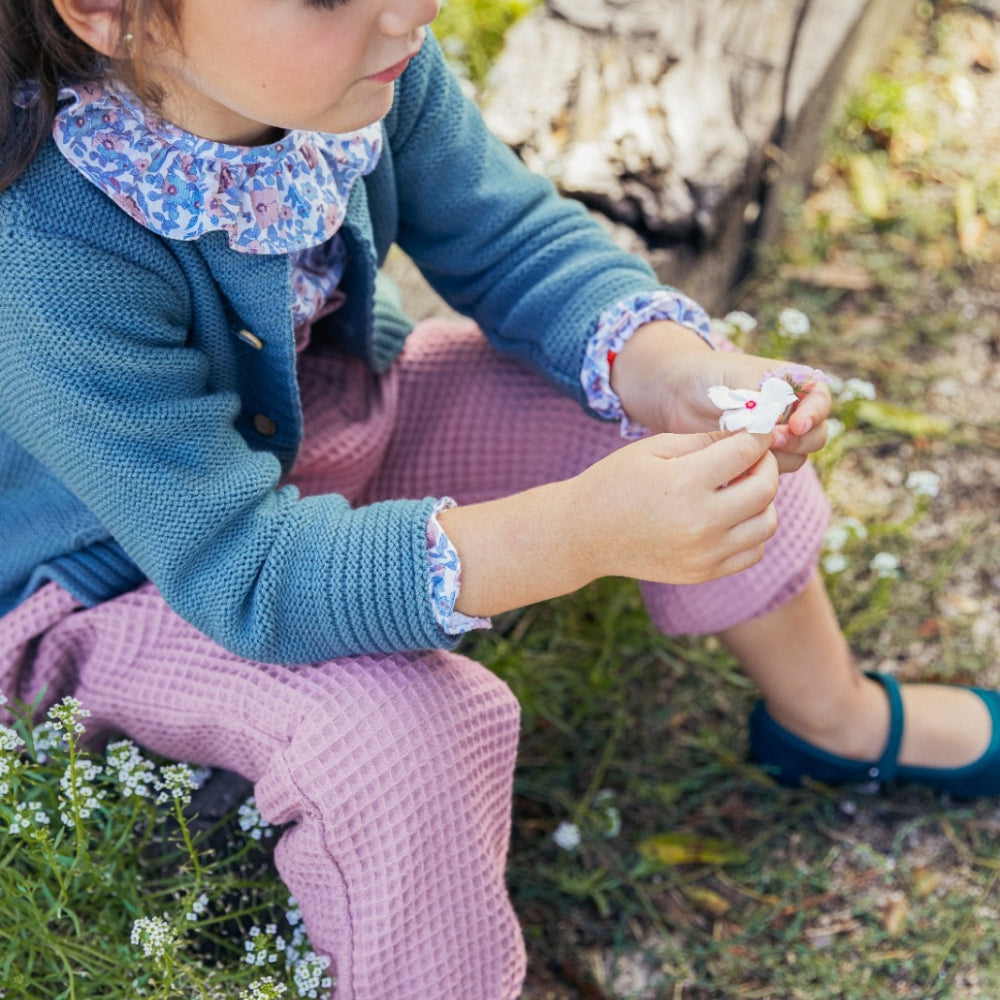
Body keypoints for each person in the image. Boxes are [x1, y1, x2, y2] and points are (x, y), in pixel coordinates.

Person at [1, 1, 998, 998]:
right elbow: (247, 570)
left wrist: (677, 372)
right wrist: (575, 533)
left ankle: (830, 717)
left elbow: (511, 240)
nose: (411, 7)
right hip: (127, 586)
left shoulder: (357, 70)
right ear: (105, 11)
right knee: (399, 735)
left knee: (704, 434)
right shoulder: (41, 251)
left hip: (337, 432)